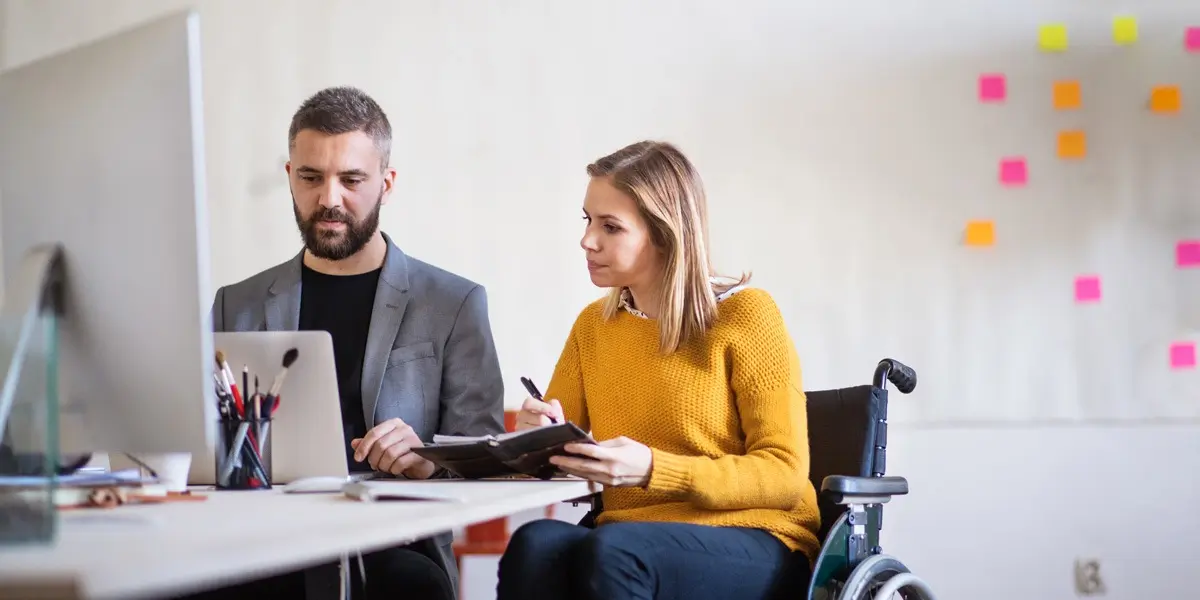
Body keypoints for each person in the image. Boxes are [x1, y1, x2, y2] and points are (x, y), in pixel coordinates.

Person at [205, 86, 505, 600]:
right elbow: (205, 440)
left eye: (351, 179)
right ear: (289, 178)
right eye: (311, 177)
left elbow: (487, 457)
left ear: (386, 184)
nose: (329, 199)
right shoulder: (237, 303)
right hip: (261, 538)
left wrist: (426, 459)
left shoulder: (454, 303)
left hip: (393, 546)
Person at [495, 141, 821, 600]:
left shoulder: (747, 316)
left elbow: (785, 476)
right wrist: (534, 439)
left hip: (758, 535)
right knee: (534, 545)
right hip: (627, 534)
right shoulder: (595, 326)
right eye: (588, 220)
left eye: (611, 227)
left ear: (665, 235)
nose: (588, 240)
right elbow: (558, 452)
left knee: (614, 551)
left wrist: (654, 469)